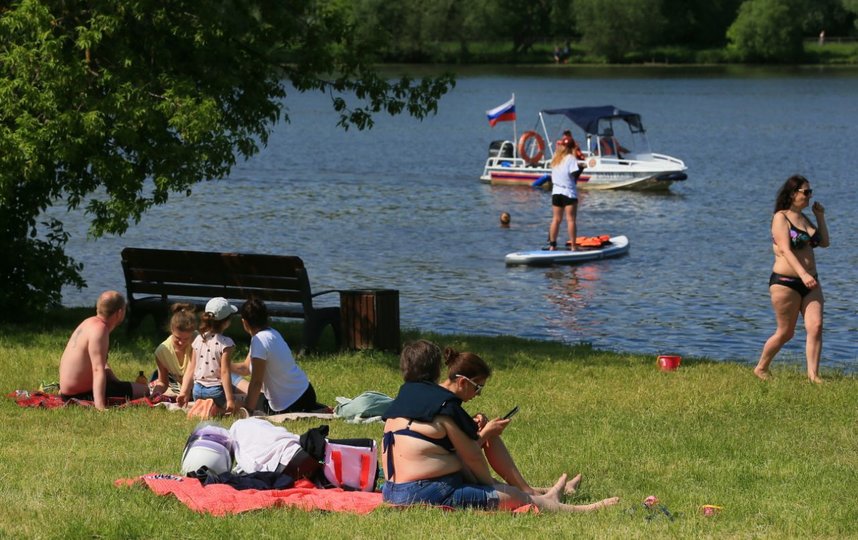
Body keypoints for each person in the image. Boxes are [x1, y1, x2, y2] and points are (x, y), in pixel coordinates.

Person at [381, 340, 619, 512]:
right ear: (437, 370)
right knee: (513, 497)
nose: (478, 394)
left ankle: (543, 492)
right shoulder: (443, 405)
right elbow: (473, 457)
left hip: (392, 490)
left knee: (502, 484)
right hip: (426, 492)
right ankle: (581, 509)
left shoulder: (403, 400)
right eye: (478, 388)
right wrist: (491, 487)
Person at [755, 175, 829, 383]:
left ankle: (813, 376)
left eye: (810, 192)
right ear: (792, 193)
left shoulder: (804, 218)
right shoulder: (781, 217)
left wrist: (820, 216)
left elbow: (824, 243)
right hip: (786, 283)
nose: (809, 195)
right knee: (786, 332)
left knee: (816, 326)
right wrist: (803, 274)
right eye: (806, 192)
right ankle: (761, 368)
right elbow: (786, 250)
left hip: (811, 282)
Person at [233, 297, 325, 415]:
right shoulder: (272, 333)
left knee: (234, 394)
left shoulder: (258, 341)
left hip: (289, 404)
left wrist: (248, 410)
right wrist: (223, 366)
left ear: (244, 322)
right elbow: (246, 368)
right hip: (306, 392)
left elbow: (256, 382)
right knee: (231, 378)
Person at [58, 291, 148, 410]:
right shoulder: (100, 330)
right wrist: (100, 406)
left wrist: (116, 381)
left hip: (66, 391)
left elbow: (100, 363)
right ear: (120, 313)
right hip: (81, 394)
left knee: (124, 386)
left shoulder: (88, 323)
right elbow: (97, 369)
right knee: (144, 390)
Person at [177, 297, 237, 414]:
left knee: (211, 401)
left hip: (197, 391)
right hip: (215, 392)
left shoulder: (198, 339)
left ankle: (201, 406)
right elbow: (225, 372)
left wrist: (183, 392)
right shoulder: (226, 343)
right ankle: (215, 409)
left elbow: (190, 369)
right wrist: (230, 400)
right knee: (238, 404)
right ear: (226, 322)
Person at [547, 132, 585, 251]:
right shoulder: (571, 158)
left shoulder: (555, 158)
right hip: (568, 193)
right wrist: (582, 169)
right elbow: (575, 175)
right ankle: (573, 247)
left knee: (556, 220)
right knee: (571, 220)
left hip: (556, 193)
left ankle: (552, 245)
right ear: (572, 147)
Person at [151, 303, 198, 396]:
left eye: (186, 339)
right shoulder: (162, 352)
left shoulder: (198, 341)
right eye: (178, 338)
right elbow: (163, 382)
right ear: (171, 330)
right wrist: (156, 393)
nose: (181, 343)